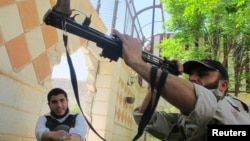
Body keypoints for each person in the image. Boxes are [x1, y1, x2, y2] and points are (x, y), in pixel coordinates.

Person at [113, 29, 250, 141]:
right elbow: (145, 119)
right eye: (190, 75)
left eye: (202, 74)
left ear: (223, 85)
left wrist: (138, 64)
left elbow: (209, 107)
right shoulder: (183, 121)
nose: (193, 79)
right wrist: (156, 85)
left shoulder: (234, 107)